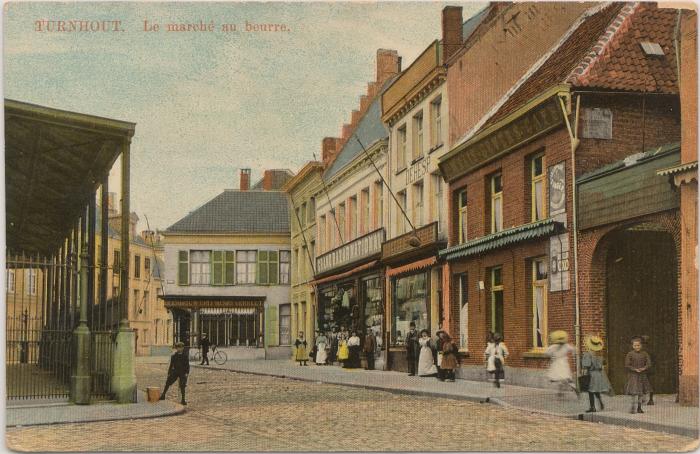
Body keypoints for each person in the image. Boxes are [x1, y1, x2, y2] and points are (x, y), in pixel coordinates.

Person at [582, 335, 611, 412]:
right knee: (596, 390)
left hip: (591, 374)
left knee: (590, 391)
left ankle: (592, 407)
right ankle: (600, 403)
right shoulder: (600, 355)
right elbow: (604, 363)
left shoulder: (588, 354)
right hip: (599, 374)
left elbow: (587, 365)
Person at [546, 330, 578, 397]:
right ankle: (566, 389)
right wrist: (573, 353)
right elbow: (573, 349)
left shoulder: (553, 347)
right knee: (565, 377)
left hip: (557, 363)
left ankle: (560, 391)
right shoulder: (566, 346)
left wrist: (551, 353)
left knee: (557, 378)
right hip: (564, 363)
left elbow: (547, 353)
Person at [625, 336, 652, 414]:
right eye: (635, 345)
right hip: (633, 375)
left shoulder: (645, 354)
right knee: (634, 392)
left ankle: (639, 407)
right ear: (632, 346)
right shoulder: (630, 354)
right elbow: (627, 364)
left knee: (641, 392)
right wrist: (634, 369)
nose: (637, 347)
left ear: (641, 345)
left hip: (642, 375)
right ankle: (633, 406)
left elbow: (649, 363)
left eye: (638, 345)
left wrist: (643, 368)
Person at [641, 335, 655, 405]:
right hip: (650, 369)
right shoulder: (651, 349)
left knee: (643, 383)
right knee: (650, 383)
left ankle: (644, 399)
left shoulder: (642, 350)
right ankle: (650, 399)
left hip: (645, 369)